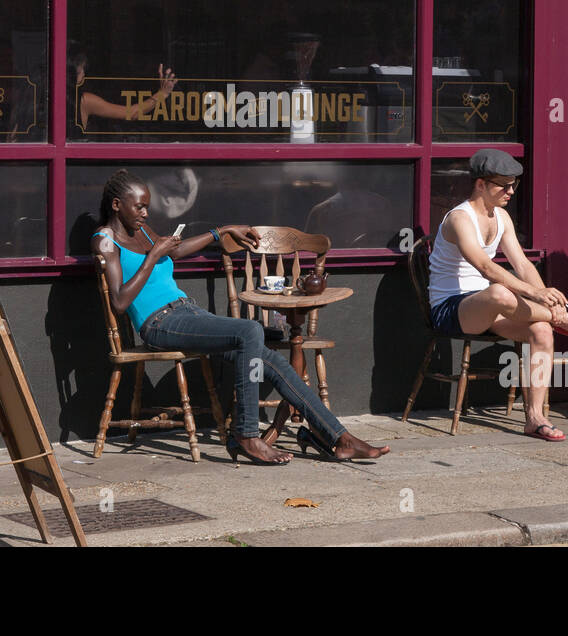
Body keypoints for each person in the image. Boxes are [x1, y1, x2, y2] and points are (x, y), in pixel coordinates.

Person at [92, 169, 389, 464]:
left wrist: (220, 232)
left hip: (186, 310)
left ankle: (340, 438)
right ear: (117, 204)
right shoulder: (105, 240)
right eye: (139, 206)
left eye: (147, 205)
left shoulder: (142, 231)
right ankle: (247, 434)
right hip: (159, 323)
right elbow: (119, 301)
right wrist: (153, 257)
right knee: (250, 331)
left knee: (271, 359)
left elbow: (177, 250)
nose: (145, 212)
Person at [427, 149, 568, 441]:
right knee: (499, 292)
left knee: (541, 330)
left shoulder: (501, 217)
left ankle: (535, 418)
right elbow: (485, 267)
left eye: (515, 184)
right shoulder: (459, 218)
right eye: (504, 185)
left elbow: (522, 264)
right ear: (481, 184)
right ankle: (565, 320)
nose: (511, 191)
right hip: (453, 308)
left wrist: (542, 297)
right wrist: (540, 297)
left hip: (493, 305)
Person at [69, 50, 177, 133]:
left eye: (84, 69)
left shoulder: (57, 98)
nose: (83, 73)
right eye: (79, 71)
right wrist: (162, 93)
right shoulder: (84, 101)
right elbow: (131, 113)